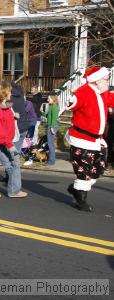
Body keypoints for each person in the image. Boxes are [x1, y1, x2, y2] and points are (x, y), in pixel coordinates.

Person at [66, 66, 114, 212]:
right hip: (81, 139)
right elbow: (71, 104)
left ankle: (76, 189)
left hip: (96, 140)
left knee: (99, 168)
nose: (108, 81)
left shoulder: (102, 92)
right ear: (97, 80)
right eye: (106, 79)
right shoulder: (84, 91)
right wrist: (73, 97)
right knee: (84, 170)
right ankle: (81, 200)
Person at [0, 88, 28, 199]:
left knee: (14, 164)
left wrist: (14, 117)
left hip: (7, 141)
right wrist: (10, 144)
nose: (11, 94)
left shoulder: (7, 107)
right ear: (3, 95)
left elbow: (7, 125)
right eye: (8, 92)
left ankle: (14, 190)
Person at [42, 95, 59, 166]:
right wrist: (42, 112)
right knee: (50, 143)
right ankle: (51, 160)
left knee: (50, 144)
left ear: (53, 99)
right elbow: (48, 116)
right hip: (50, 125)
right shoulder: (51, 106)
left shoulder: (54, 107)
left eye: (49, 98)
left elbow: (54, 118)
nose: (47, 100)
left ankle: (51, 161)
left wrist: (52, 127)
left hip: (52, 126)